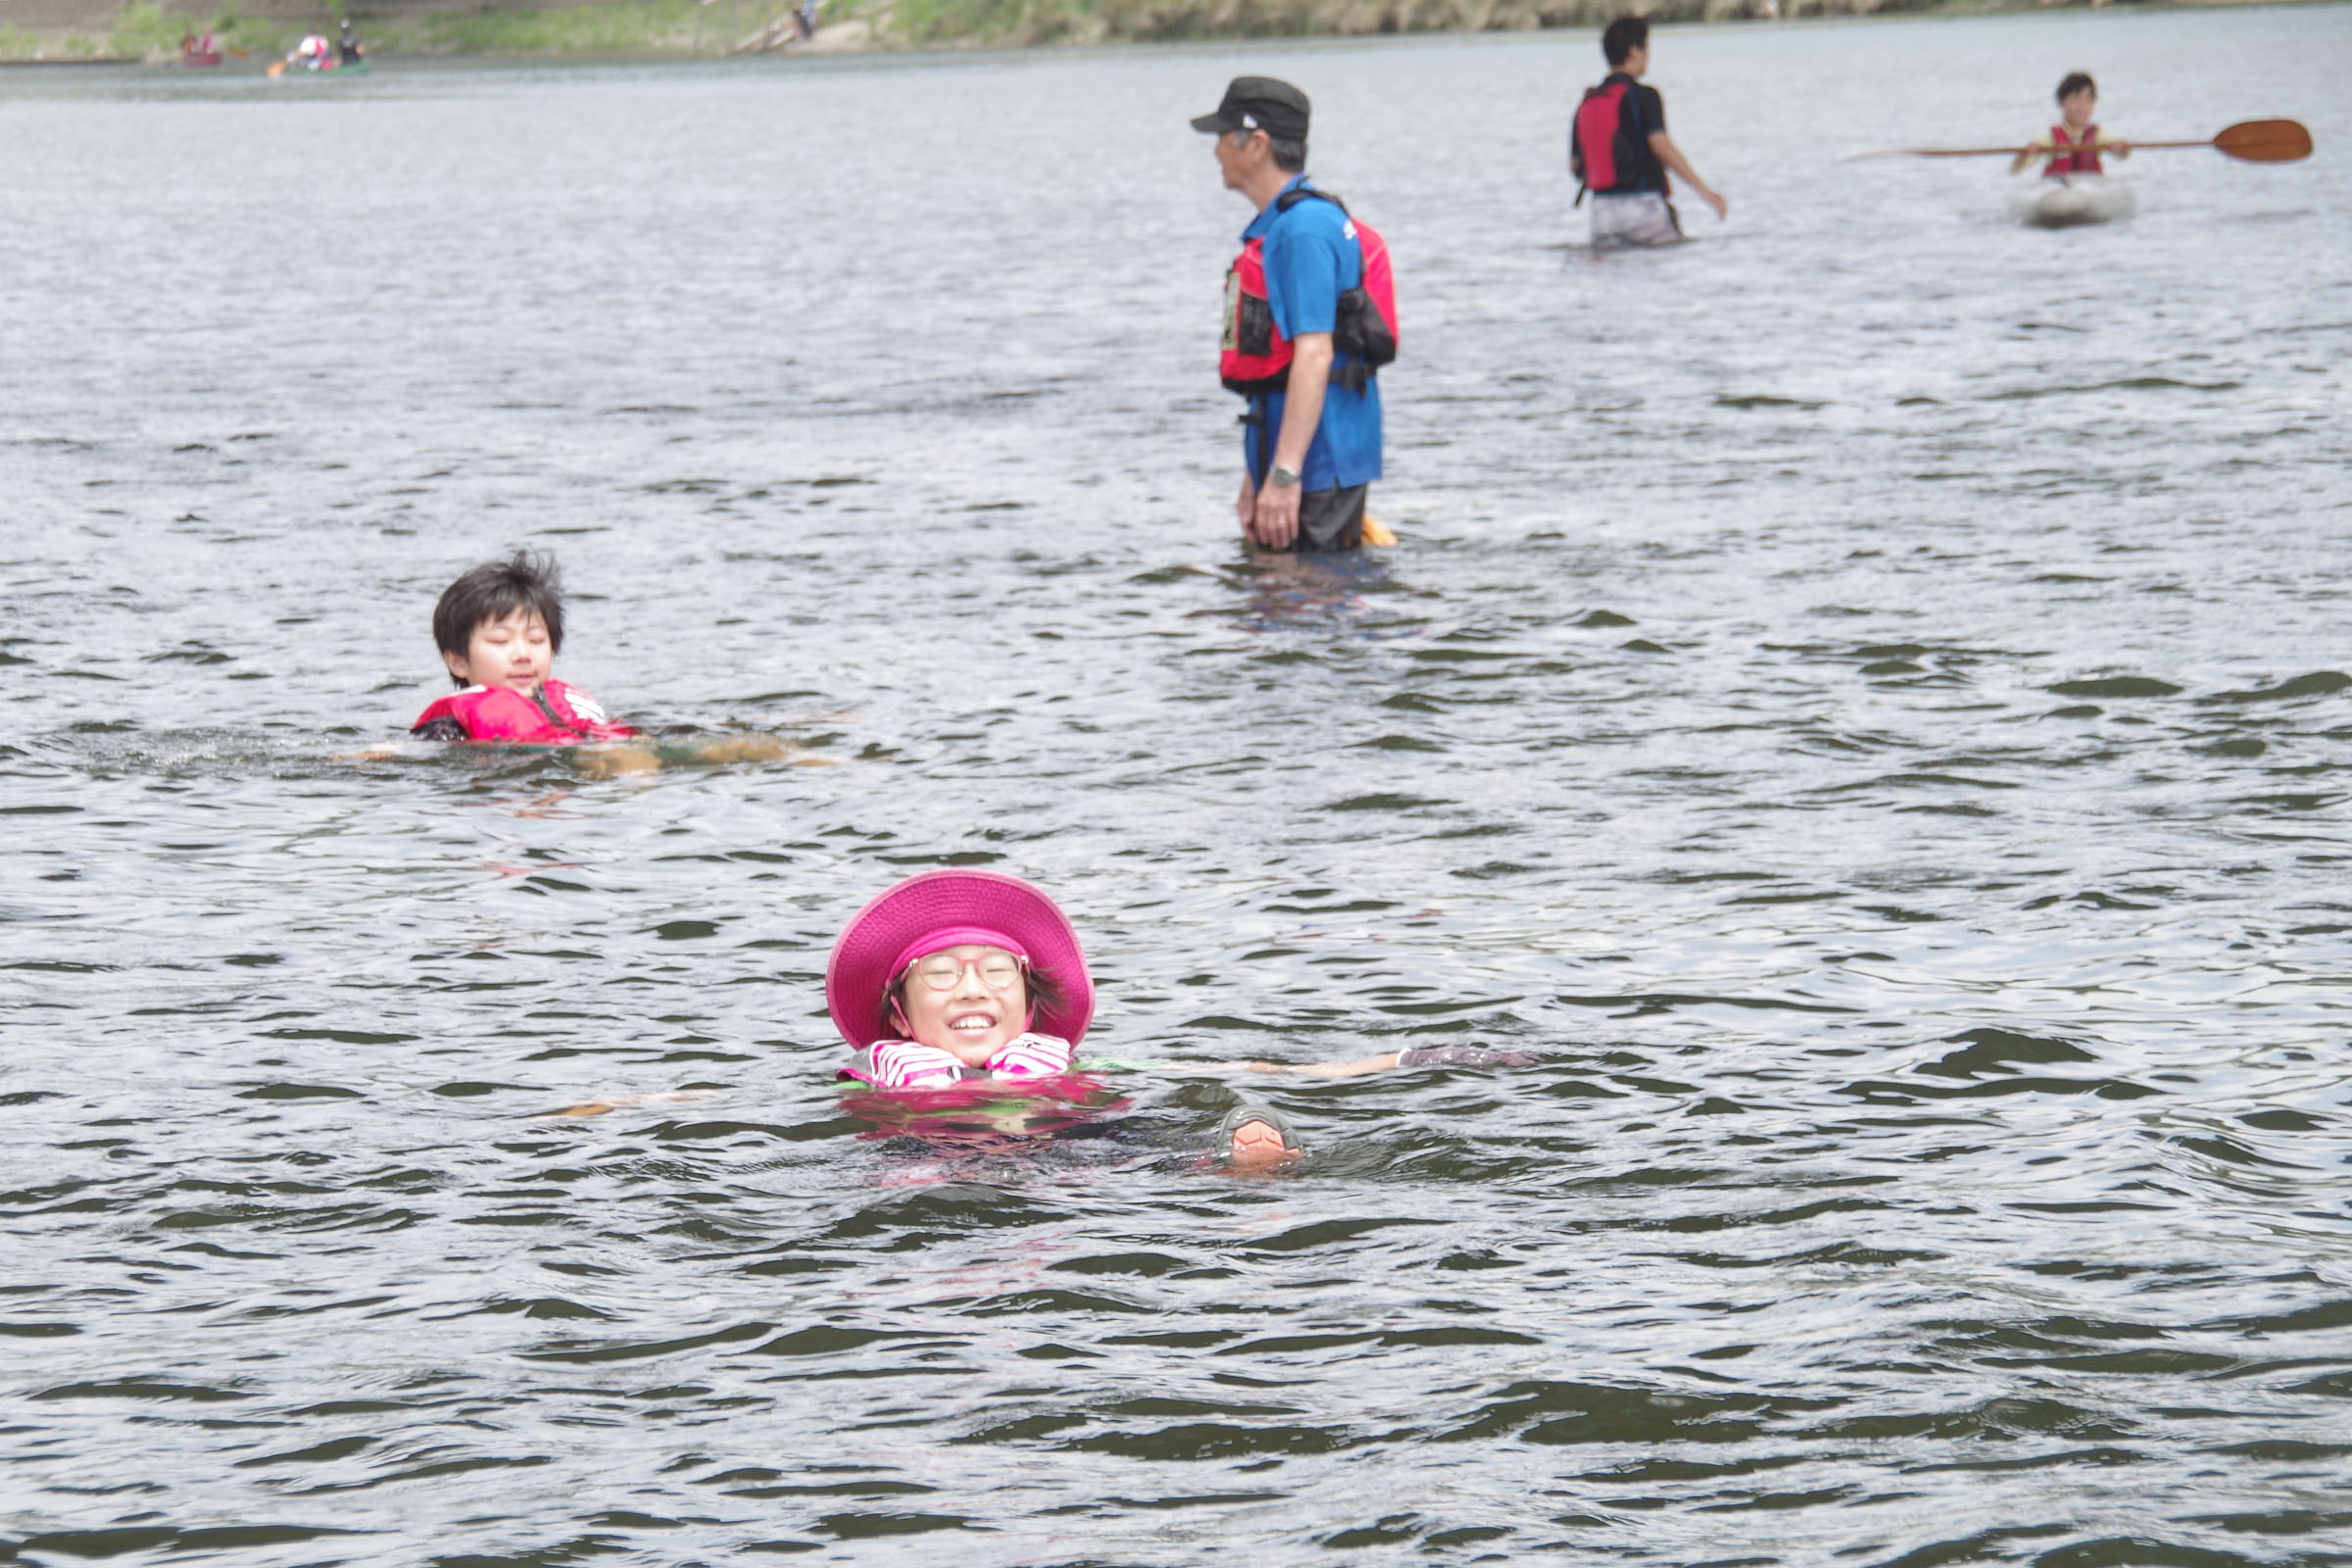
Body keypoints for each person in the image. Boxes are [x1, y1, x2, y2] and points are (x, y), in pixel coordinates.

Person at [827, 870, 1535, 1166]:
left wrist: (1410, 1059)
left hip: (1077, 1161)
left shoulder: (1088, 1071)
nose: (969, 991)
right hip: (930, 1163)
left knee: (1152, 1144)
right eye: (943, 977)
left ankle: (1224, 1167)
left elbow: (1255, 1069)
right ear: (902, 1017)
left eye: (994, 974)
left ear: (1031, 1002)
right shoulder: (872, 1092)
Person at [1194, 76, 1389, 555]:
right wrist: (1255, 473)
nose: (1216, 150)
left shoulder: (1302, 230)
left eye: (1223, 136)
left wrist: (1283, 476)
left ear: (1255, 144)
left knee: (1311, 611)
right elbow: (1277, 367)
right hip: (1299, 456)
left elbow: (1315, 352)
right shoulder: (1286, 223)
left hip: (1319, 462)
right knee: (1282, 608)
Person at [409, 551, 640, 745]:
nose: (523, 654)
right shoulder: (448, 728)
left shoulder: (572, 707)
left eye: (536, 640)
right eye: (500, 641)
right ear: (458, 661)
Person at [1572, 16, 1727, 247]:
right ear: (1634, 51)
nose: (1648, 57)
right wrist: (1703, 190)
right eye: (1646, 49)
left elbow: (1575, 166)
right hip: (1642, 207)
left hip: (1602, 213)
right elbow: (1661, 147)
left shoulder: (1587, 102)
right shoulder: (1645, 96)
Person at [2010, 73, 2131, 177]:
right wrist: (2024, 155)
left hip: (2090, 191)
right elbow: (2015, 170)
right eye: (2075, 100)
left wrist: (2121, 149)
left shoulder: (2099, 134)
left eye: (2087, 100)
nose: (2081, 107)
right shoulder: (2050, 138)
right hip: (2060, 193)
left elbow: (2120, 156)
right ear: (2062, 102)